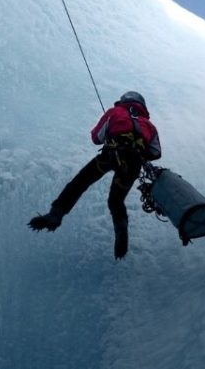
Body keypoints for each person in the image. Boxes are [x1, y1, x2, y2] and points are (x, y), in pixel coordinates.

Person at [29, 90, 162, 259]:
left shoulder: (115, 112)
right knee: (116, 201)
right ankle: (121, 236)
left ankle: (56, 214)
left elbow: (95, 138)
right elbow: (156, 152)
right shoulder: (150, 125)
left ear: (123, 101)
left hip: (111, 155)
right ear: (142, 106)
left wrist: (111, 132)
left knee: (80, 183)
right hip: (132, 164)